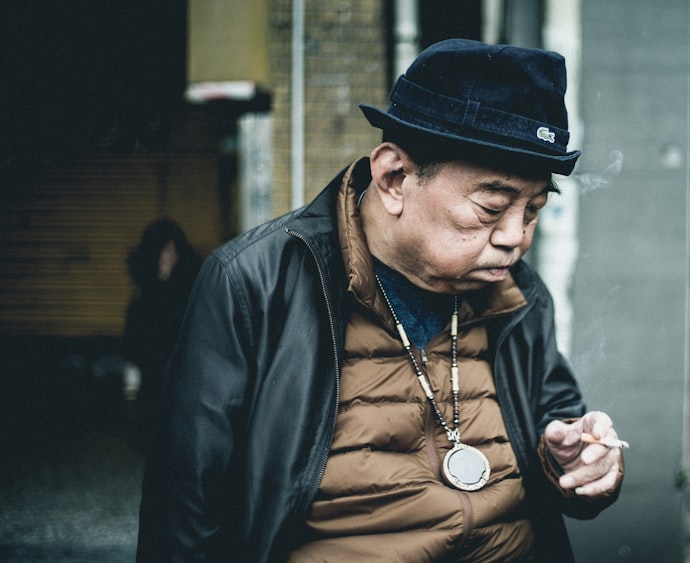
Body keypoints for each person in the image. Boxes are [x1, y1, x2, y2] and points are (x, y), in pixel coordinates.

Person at [137, 39, 624, 562]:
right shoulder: (254, 285)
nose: (516, 237)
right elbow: (186, 516)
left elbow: (560, 430)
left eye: (532, 210)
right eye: (491, 208)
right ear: (393, 178)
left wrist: (584, 464)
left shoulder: (519, 293)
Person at [122, 218, 200, 451]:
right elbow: (137, 327)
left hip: (174, 364)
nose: (171, 256)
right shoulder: (145, 284)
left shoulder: (185, 285)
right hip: (152, 363)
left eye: (174, 250)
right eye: (166, 250)